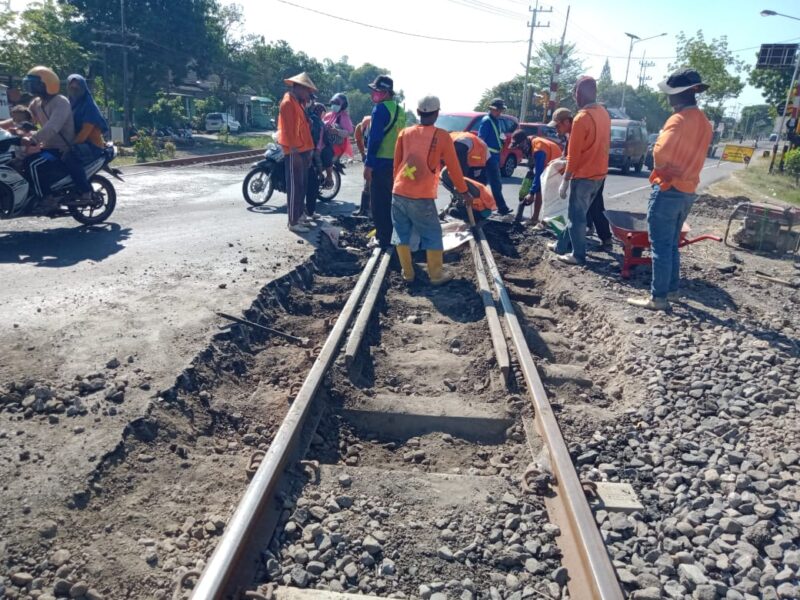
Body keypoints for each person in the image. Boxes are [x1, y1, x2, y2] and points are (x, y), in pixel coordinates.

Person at [627, 68, 713, 311]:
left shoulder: (678, 120)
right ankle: (672, 291)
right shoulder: (704, 122)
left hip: (668, 188)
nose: (668, 98)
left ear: (679, 94)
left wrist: (665, 168)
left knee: (660, 247)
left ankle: (658, 298)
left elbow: (660, 152)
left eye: (670, 94)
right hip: (688, 190)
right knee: (672, 244)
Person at [392, 95, 472, 285]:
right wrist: (463, 191)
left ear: (418, 112)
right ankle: (436, 275)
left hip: (399, 190)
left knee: (401, 233)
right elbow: (453, 167)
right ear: (437, 114)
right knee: (432, 233)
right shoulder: (442, 136)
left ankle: (408, 274)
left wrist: (394, 185)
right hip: (421, 194)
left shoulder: (404, 133)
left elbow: (396, 164)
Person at [550, 76, 610, 265]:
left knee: (576, 217)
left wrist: (566, 180)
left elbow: (574, 155)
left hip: (584, 175)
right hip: (600, 174)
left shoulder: (581, 118)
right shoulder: (603, 113)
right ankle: (561, 246)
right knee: (579, 214)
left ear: (578, 94)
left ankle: (578, 255)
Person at [20, 66, 76, 212]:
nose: (31, 87)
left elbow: (52, 128)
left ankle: (47, 199)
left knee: (33, 164)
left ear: (47, 84)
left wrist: (33, 138)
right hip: (47, 147)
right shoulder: (37, 102)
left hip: (61, 149)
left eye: (35, 84)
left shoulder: (61, 102)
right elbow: (24, 117)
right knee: (18, 162)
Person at [364, 75, 406, 248]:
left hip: (380, 163)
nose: (374, 93)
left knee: (379, 202)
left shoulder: (380, 109)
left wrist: (368, 164)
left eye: (378, 90)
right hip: (396, 163)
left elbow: (375, 139)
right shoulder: (400, 110)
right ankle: (392, 234)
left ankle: (382, 238)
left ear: (386, 92)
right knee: (391, 201)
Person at [276, 72, 316, 234]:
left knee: (301, 186)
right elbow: (288, 129)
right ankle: (293, 220)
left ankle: (299, 215)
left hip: (303, 149)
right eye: (307, 91)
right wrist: (293, 149)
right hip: (295, 150)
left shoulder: (298, 103)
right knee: (294, 186)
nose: (309, 94)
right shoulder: (287, 103)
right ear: (298, 87)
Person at [66, 74, 109, 203]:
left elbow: (85, 132)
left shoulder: (89, 106)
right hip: (80, 143)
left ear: (84, 87)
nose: (74, 88)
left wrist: (69, 146)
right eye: (71, 86)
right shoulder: (71, 104)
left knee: (70, 158)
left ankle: (86, 191)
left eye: (77, 86)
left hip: (92, 146)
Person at [511, 130, 562, 225]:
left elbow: (539, 173)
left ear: (523, 142)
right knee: (539, 191)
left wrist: (531, 192)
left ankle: (547, 223)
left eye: (519, 146)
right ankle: (535, 219)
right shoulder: (530, 141)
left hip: (557, 170)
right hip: (549, 168)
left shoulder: (539, 149)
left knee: (547, 197)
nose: (519, 149)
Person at [478, 98, 512, 215]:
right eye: (498, 110)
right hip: (489, 156)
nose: (499, 112)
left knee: (488, 182)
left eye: (500, 110)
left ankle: (485, 207)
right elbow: (481, 140)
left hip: (494, 155)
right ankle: (501, 208)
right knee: (494, 183)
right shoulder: (487, 121)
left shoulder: (495, 120)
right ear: (492, 109)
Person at [322, 93, 354, 188]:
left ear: (342, 105)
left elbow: (349, 132)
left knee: (326, 155)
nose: (334, 105)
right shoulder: (329, 115)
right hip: (326, 142)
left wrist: (337, 131)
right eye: (333, 103)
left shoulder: (344, 117)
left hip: (337, 146)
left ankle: (329, 177)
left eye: (337, 103)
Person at [305, 101, 327, 224]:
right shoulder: (317, 123)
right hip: (310, 154)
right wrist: (319, 169)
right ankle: (309, 211)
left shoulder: (309, 117)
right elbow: (315, 143)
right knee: (312, 184)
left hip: (306, 153)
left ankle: (308, 211)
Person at [352, 115, 371, 217]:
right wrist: (363, 154)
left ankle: (371, 208)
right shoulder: (359, 127)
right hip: (369, 153)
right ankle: (364, 208)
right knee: (367, 182)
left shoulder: (377, 126)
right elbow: (359, 141)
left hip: (380, 156)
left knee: (373, 182)